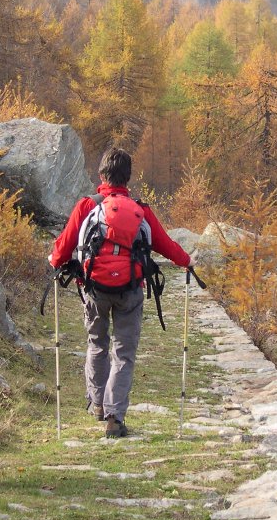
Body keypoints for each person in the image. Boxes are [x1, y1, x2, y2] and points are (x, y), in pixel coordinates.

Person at [48, 147, 192, 437]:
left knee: (97, 344)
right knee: (123, 353)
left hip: (94, 289)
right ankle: (115, 417)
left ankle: (98, 405)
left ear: (101, 175)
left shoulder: (87, 206)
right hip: (130, 290)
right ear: (128, 178)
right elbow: (165, 244)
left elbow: (63, 248)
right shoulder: (141, 210)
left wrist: (54, 261)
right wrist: (187, 261)